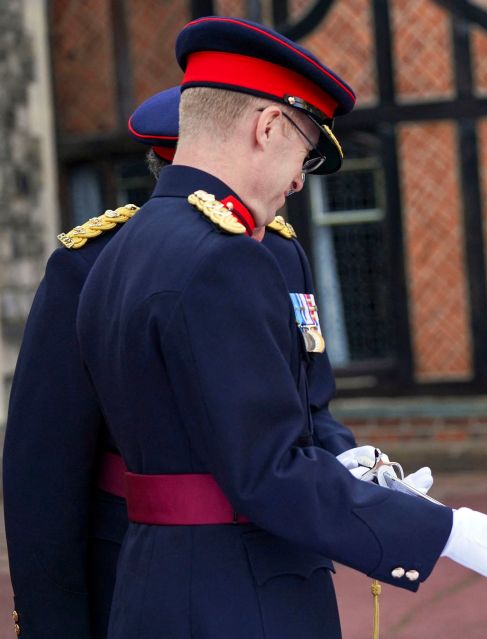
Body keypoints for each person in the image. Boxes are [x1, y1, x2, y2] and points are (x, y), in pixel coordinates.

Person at [73, 16, 487, 638]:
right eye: (304, 151)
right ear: (268, 125)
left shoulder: (118, 249)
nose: (301, 178)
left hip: (156, 580)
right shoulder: (223, 256)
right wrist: (446, 531)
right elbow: (265, 471)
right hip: (238, 593)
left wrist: (347, 465)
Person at [2, 83, 430, 638]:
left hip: (275, 556)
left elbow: (306, 402)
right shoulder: (93, 263)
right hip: (142, 554)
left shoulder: (278, 250)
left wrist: (351, 465)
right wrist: (51, 620)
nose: (297, 180)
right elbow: (46, 463)